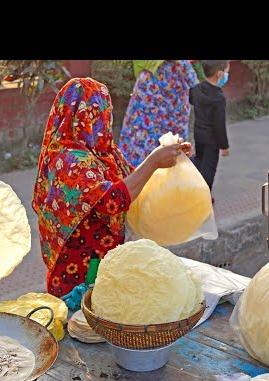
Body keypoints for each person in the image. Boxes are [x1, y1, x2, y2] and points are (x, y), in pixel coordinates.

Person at [31, 77, 192, 297]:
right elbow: (112, 200)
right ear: (84, 116)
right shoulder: (68, 159)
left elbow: (133, 181)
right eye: (103, 112)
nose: (107, 119)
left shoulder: (105, 153)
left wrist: (169, 159)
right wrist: (153, 161)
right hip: (78, 270)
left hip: (104, 262)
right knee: (80, 325)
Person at [118, 60, 199, 168]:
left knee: (138, 148)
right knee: (169, 154)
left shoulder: (151, 66)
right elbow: (195, 84)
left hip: (146, 106)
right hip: (168, 110)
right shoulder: (179, 66)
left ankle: (134, 177)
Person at [189, 60, 231, 199]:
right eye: (226, 72)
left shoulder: (195, 90)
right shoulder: (219, 98)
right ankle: (203, 196)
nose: (226, 75)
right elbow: (219, 124)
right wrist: (224, 146)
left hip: (198, 133)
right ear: (219, 74)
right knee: (209, 168)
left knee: (199, 160)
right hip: (211, 139)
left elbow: (191, 100)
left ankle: (193, 186)